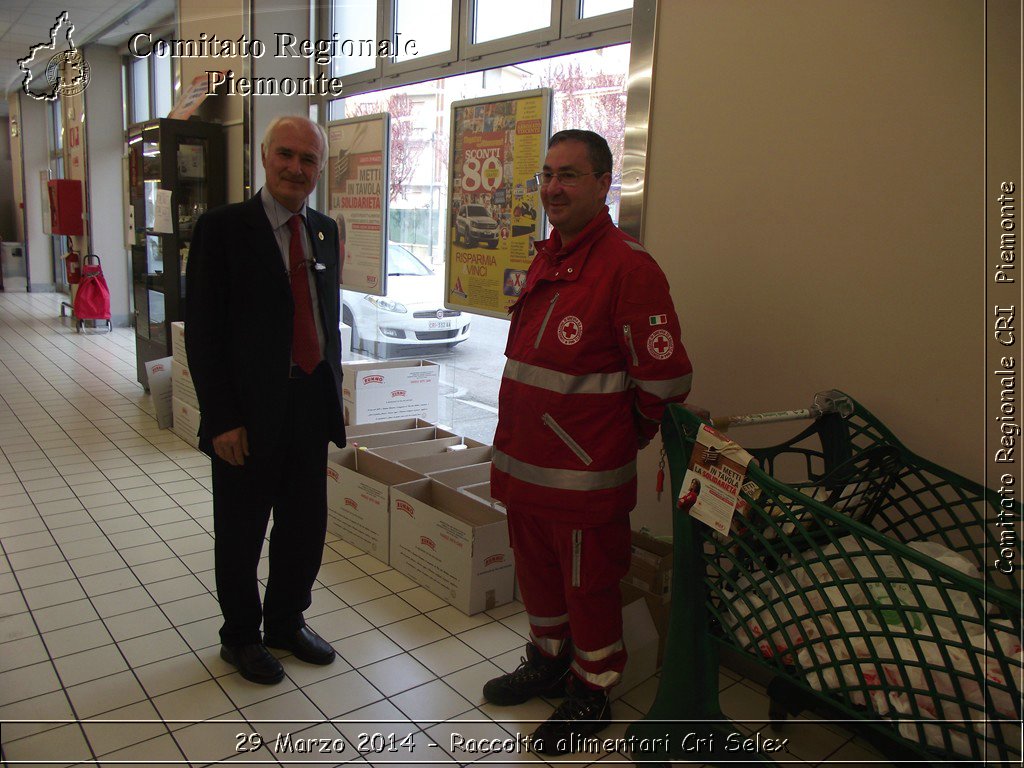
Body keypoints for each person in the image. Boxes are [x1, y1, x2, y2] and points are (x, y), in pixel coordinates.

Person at [486, 130, 693, 754]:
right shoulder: (548, 256)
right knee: (539, 577)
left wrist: (620, 438)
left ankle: (592, 688)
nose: (553, 187)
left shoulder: (629, 268)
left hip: (582, 481)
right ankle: (549, 659)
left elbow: (665, 378)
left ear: (604, 184)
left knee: (590, 588)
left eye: (570, 175)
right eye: (547, 174)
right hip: (526, 470)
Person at [185, 116, 346, 685]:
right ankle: (241, 636)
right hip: (247, 417)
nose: (295, 168)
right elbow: (202, 333)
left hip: (308, 406)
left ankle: (285, 621)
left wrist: (334, 392)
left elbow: (325, 322)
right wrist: (221, 417)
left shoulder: (325, 230)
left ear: (319, 169)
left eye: (308, 160)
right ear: (263, 155)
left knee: (304, 526)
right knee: (242, 530)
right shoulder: (223, 228)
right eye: (286, 155)